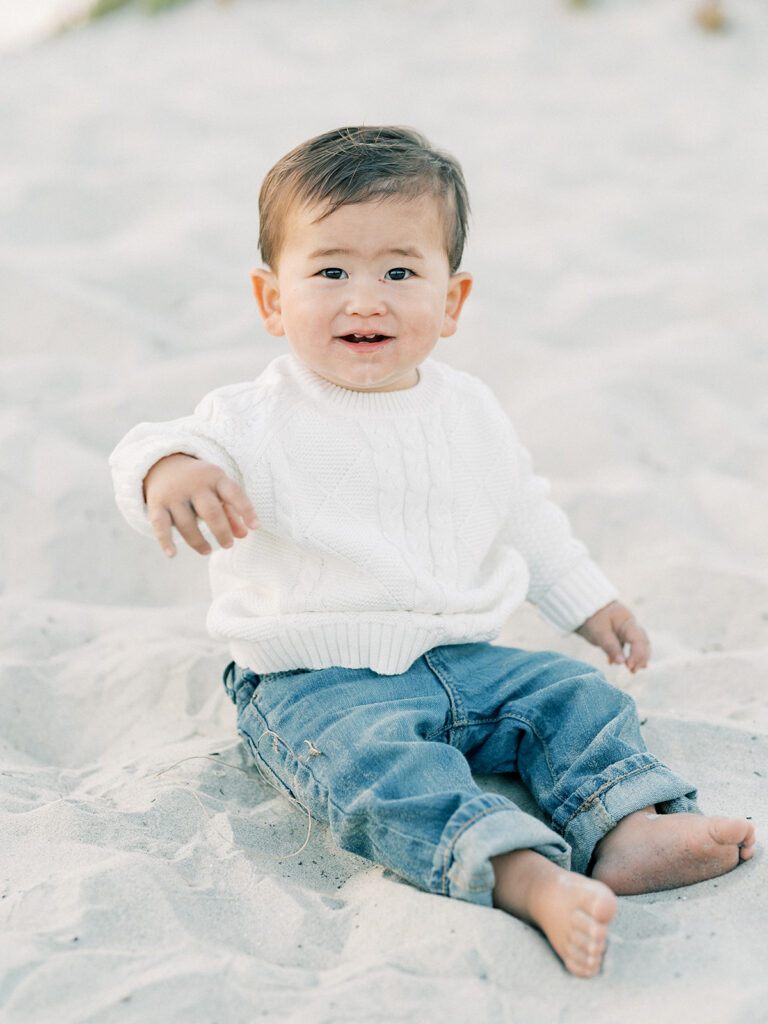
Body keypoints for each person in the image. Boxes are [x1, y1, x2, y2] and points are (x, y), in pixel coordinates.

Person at [109, 126, 755, 978]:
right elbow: (151, 445)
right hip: (312, 681)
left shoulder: (471, 410)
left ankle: (624, 824)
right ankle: (520, 873)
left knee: (570, 694)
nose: (365, 299)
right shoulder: (252, 415)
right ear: (272, 300)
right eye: (331, 270)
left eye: (400, 272)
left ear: (452, 300)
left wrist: (590, 603)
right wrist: (170, 470)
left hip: (463, 660)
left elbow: (523, 515)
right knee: (379, 772)